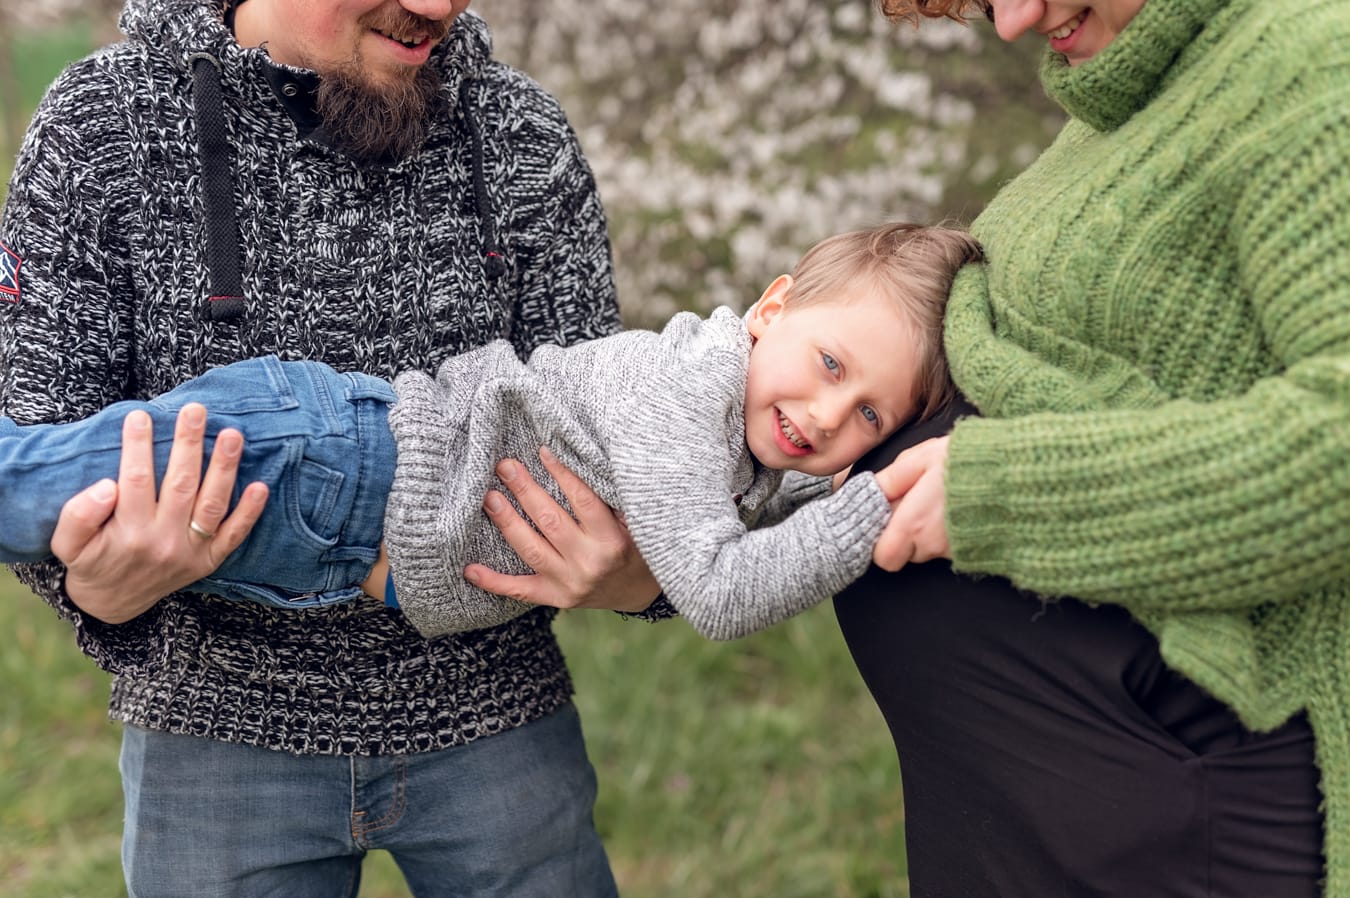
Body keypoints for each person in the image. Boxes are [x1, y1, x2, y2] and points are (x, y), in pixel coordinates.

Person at [0, 0, 666, 894]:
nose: (437, 7)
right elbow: (36, 435)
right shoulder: (98, 128)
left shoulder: (521, 136)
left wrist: (638, 577)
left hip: (498, 720)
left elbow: (609, 433)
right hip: (214, 738)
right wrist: (94, 594)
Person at [829, 1, 1350, 896]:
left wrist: (1012, 495)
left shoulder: (1312, 65)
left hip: (1192, 803)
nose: (1014, 22)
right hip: (1033, 806)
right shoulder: (1133, 99)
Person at [1, 223, 981, 641]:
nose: (824, 416)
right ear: (771, 307)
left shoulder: (760, 443)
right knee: (22, 488)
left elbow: (780, 522)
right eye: (830, 366)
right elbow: (720, 590)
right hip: (334, 461)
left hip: (330, 540)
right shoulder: (687, 390)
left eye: (869, 418)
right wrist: (881, 505)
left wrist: (928, 476)